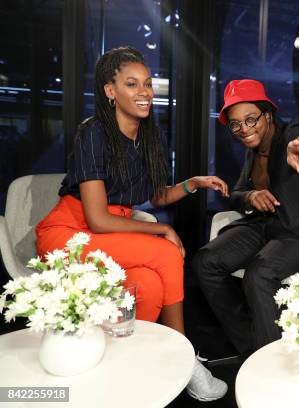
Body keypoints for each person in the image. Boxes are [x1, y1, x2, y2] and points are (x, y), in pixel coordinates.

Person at [35, 46, 228, 402]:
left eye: (148, 84)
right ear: (110, 91)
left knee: (149, 285)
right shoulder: (93, 133)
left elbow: (155, 196)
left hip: (111, 231)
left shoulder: (149, 137)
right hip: (70, 234)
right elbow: (97, 217)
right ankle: (185, 360)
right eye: (132, 83)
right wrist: (162, 229)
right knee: (167, 254)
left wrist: (193, 184)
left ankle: (128, 367)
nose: (144, 92)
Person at [192, 79, 299, 353]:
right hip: (262, 227)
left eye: (251, 119)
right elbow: (237, 193)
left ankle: (268, 359)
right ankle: (253, 345)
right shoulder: (253, 152)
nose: (244, 129)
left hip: (296, 229)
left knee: (258, 275)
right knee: (205, 261)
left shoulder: (289, 135)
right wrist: (249, 196)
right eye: (235, 124)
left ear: (267, 115)